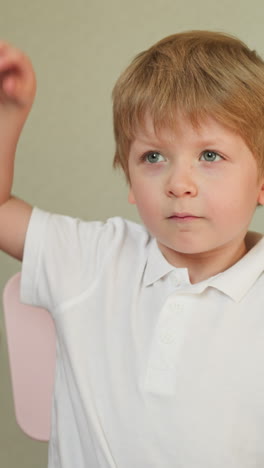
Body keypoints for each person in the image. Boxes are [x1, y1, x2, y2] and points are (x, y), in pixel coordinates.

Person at [1, 30, 264, 468]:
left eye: (211, 156)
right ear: (127, 176)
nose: (180, 184)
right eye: (153, 157)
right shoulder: (92, 259)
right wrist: (10, 116)